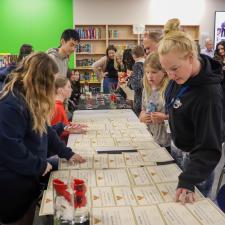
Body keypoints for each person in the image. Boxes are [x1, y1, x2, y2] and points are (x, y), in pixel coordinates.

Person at [0, 52, 85, 225]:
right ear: (40, 80)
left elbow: (45, 130)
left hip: (27, 178)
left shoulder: (30, 98)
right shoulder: (12, 103)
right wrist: (40, 165)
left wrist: (67, 153)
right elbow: (10, 148)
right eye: (50, 83)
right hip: (12, 186)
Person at [158, 20, 224, 203]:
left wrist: (188, 179)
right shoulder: (180, 74)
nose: (170, 76)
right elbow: (176, 103)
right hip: (179, 147)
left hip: (199, 160)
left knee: (196, 210)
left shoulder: (208, 95)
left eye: (173, 69)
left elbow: (209, 146)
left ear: (190, 57)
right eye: (166, 70)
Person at [139, 52, 170, 149]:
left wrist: (165, 117)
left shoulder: (169, 89)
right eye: (147, 72)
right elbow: (143, 109)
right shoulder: (146, 89)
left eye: (154, 72)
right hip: (152, 138)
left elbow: (180, 116)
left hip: (167, 141)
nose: (150, 76)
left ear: (164, 72)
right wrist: (142, 116)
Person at [127, 45, 145, 116]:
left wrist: (130, 81)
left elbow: (135, 85)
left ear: (133, 55)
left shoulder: (137, 65)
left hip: (139, 97)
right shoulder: (147, 63)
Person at [214, 40, 225, 122]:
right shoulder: (217, 60)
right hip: (220, 86)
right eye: (219, 49)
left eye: (222, 49)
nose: (220, 51)